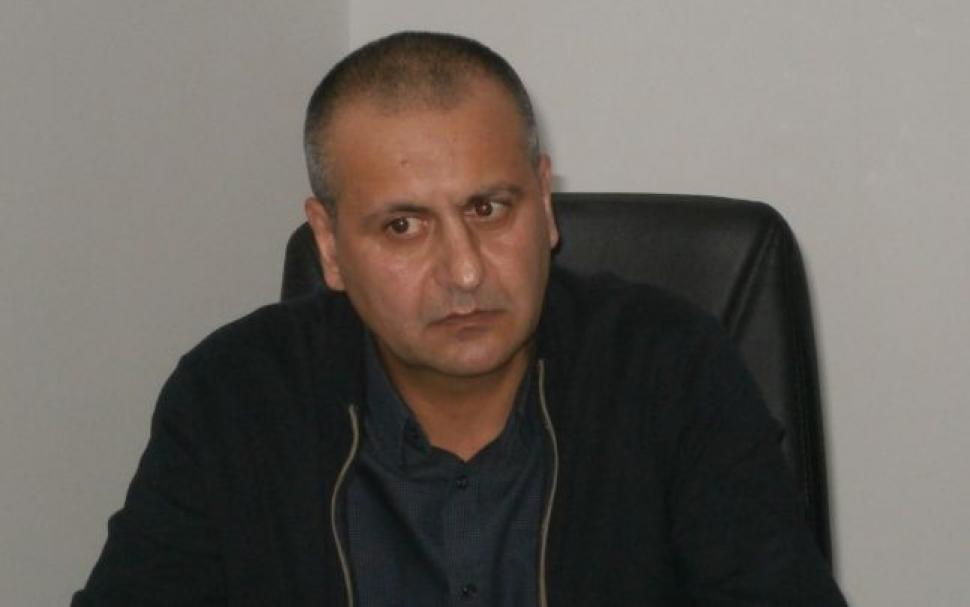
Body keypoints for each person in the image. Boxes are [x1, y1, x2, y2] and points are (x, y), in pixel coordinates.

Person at [73, 32, 847, 606]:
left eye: (489, 208)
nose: (466, 270)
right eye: (403, 226)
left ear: (544, 202)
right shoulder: (234, 397)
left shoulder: (669, 370)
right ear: (330, 246)